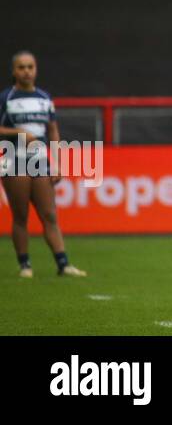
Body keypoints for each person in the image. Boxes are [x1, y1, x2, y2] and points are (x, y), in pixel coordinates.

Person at [0, 51, 86, 278]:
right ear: (14, 71)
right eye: (21, 67)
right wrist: (18, 132)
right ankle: (25, 265)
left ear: (36, 69)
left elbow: (53, 131)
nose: (26, 71)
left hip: (40, 161)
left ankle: (63, 264)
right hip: (14, 159)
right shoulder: (6, 98)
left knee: (49, 214)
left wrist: (57, 163)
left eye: (30, 67)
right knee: (20, 216)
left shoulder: (44, 98)